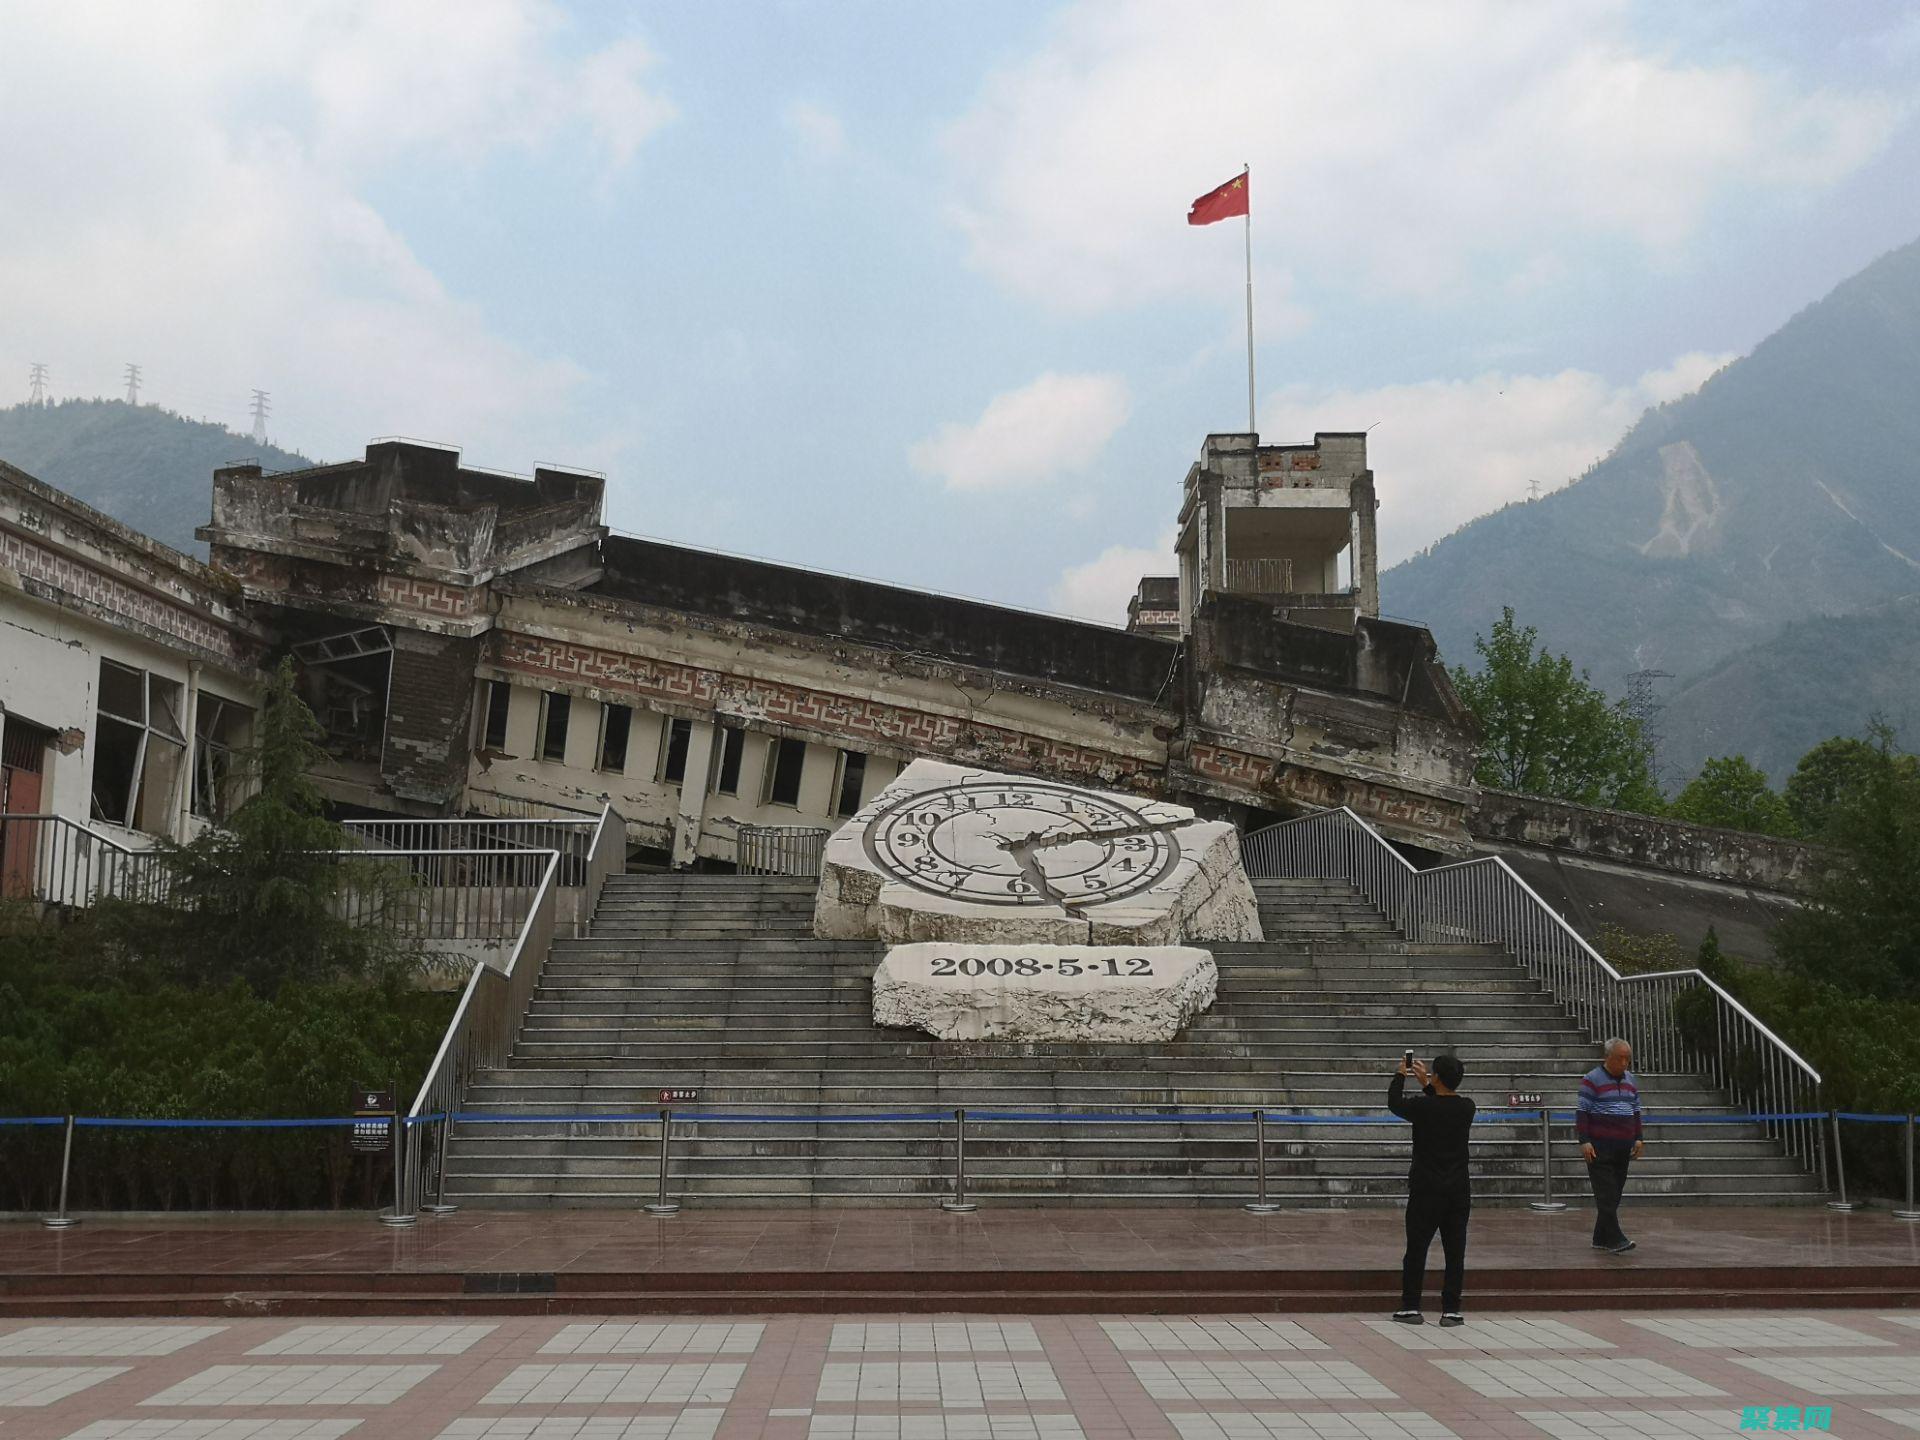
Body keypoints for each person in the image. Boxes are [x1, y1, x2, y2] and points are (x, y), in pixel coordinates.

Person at [1387, 1052, 1475, 1326]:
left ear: (1437, 1076)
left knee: (1417, 1248)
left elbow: (1395, 1103)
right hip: (1458, 1190)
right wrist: (1428, 1084)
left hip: (1426, 1188)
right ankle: (1451, 1309)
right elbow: (1442, 1104)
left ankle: (1411, 1305)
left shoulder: (1422, 1108)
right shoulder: (1467, 1108)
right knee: (1455, 1251)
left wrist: (1401, 1074)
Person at [1577, 1037, 1645, 1254]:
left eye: (1627, 1059)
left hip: (1623, 1147)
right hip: (1600, 1147)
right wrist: (1584, 1140)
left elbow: (1635, 1110)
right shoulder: (1592, 1079)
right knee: (1606, 1194)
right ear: (1607, 1057)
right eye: (1619, 1058)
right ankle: (1616, 1239)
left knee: (1614, 1193)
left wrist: (1638, 1137)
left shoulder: (1630, 1080)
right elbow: (1582, 1112)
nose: (1624, 1063)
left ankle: (1600, 1237)